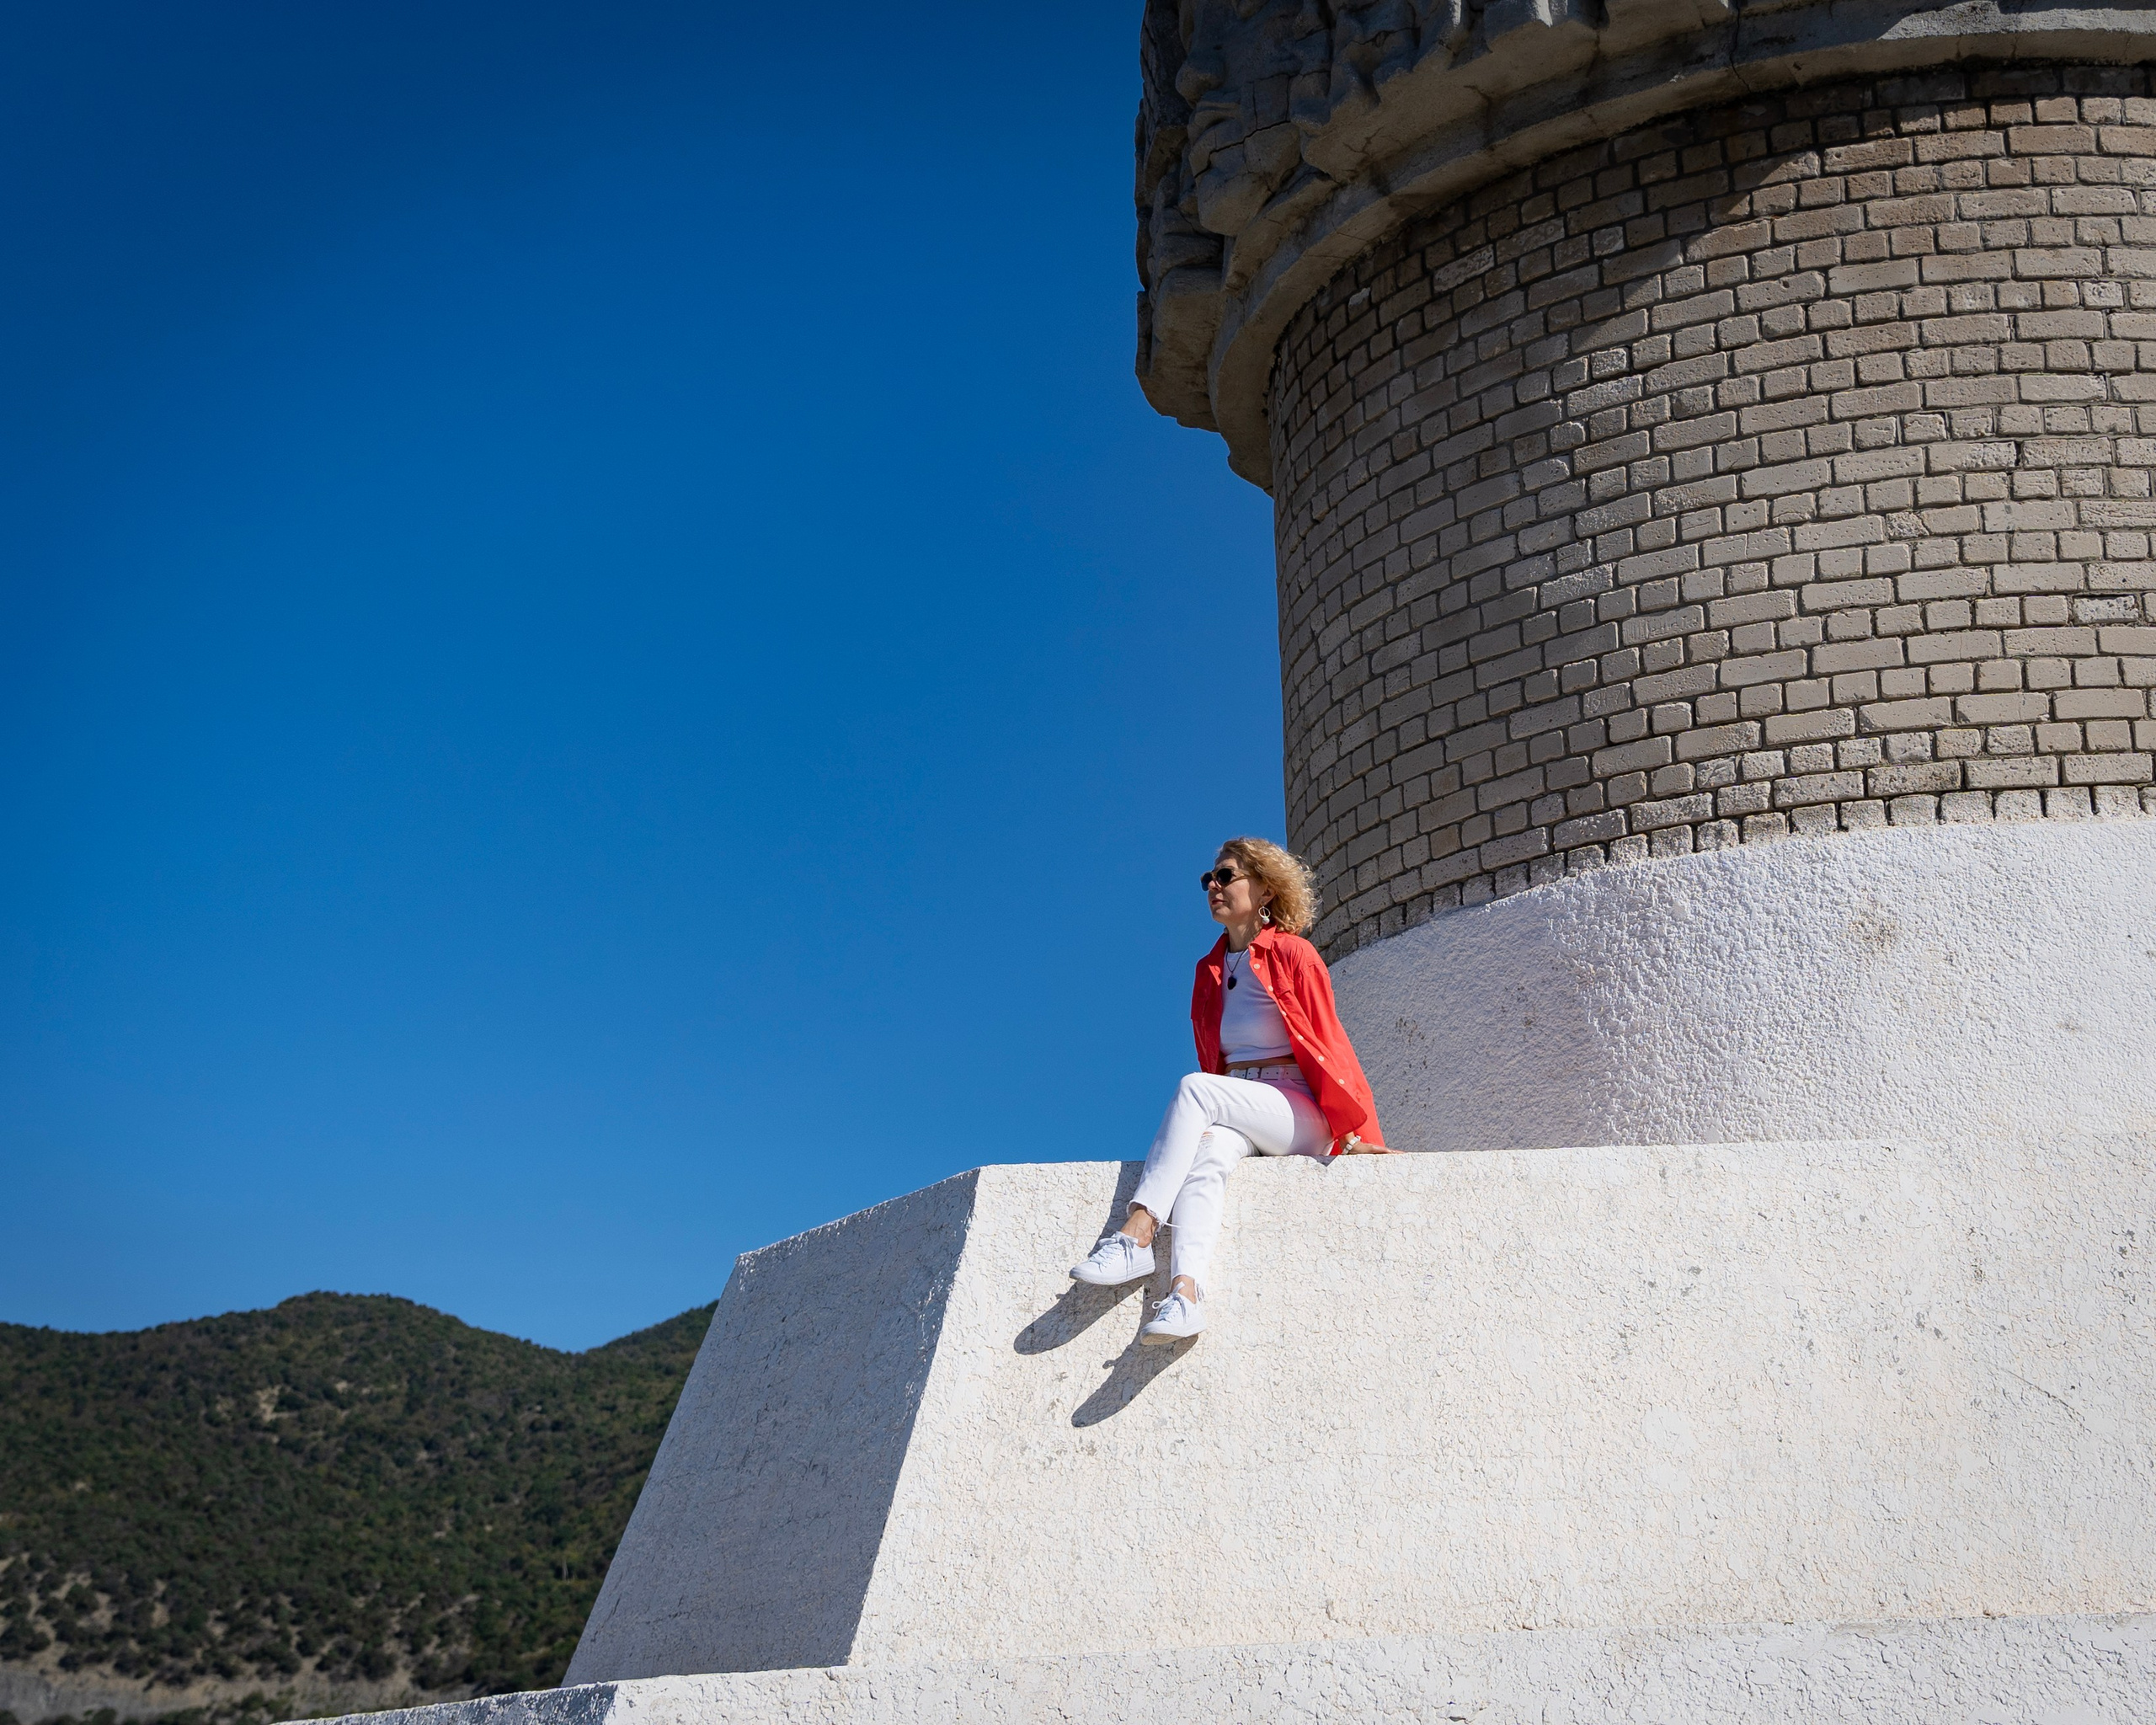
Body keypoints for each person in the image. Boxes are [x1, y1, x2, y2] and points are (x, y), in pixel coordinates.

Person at [1070, 836, 1390, 1342]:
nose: (1212, 887)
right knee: (1208, 1155)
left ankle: (1137, 1232)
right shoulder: (1209, 970)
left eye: (1225, 877)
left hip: (1298, 1109)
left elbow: (1332, 1043)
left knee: (1196, 1089)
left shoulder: (1293, 955)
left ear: (1264, 889)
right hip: (1239, 1102)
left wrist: (1358, 1132)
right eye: (1208, 881)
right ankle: (1185, 1295)